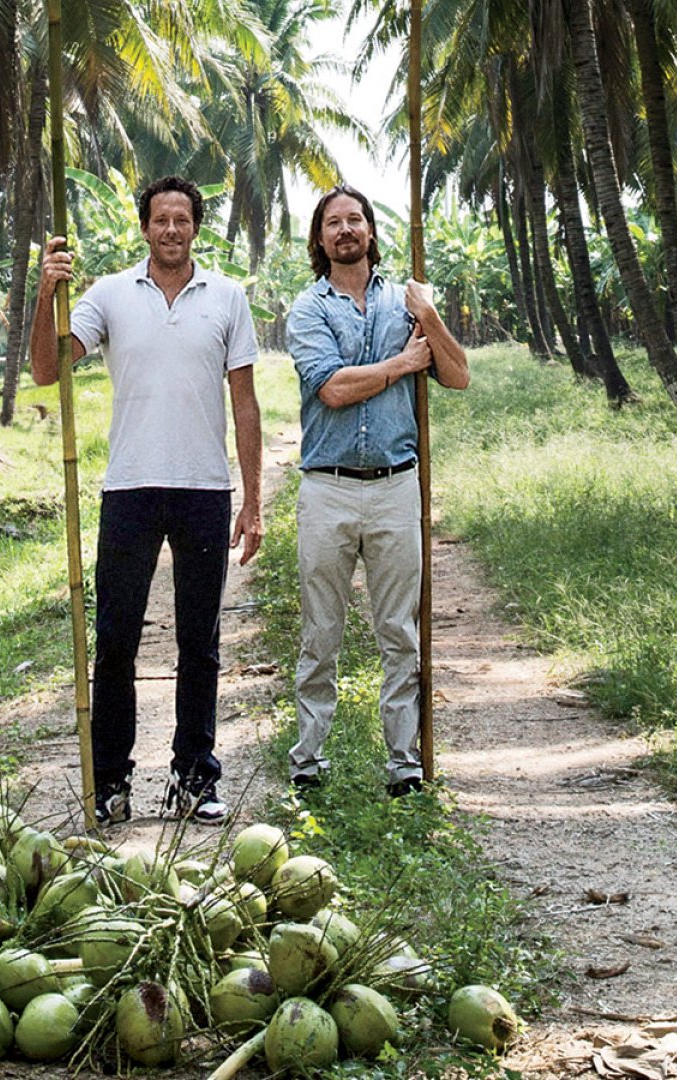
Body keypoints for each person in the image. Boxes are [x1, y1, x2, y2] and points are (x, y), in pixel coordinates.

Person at [30, 175, 264, 827]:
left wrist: (253, 500)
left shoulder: (226, 297)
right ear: (144, 228)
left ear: (196, 227)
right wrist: (47, 289)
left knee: (201, 643)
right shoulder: (107, 294)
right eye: (160, 219)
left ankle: (194, 778)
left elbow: (244, 403)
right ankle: (110, 781)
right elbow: (47, 371)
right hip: (129, 490)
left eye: (181, 219)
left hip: (205, 491)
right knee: (116, 641)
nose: (171, 230)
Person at [286, 184, 469, 797]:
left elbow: (458, 375)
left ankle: (404, 763)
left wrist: (431, 317)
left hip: (397, 485)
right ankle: (308, 760)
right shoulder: (307, 310)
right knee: (322, 630)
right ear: (320, 239)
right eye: (333, 223)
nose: (346, 230)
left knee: (399, 629)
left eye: (355, 220)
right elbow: (332, 389)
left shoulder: (407, 303)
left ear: (370, 232)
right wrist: (400, 365)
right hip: (328, 487)